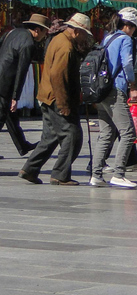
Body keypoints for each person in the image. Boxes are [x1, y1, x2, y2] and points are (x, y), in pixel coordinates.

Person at [19, 13, 91, 185]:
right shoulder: (66, 48)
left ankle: (30, 169)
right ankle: (60, 174)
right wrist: (64, 104)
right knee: (72, 135)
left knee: (50, 137)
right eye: (84, 34)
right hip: (56, 98)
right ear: (76, 32)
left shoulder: (58, 39)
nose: (85, 37)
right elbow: (58, 76)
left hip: (47, 96)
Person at [90, 7, 137, 188]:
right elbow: (127, 62)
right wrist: (133, 84)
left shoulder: (107, 37)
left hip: (102, 90)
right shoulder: (125, 39)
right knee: (128, 132)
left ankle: (96, 174)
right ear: (129, 25)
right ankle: (118, 173)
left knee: (106, 133)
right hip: (115, 89)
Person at [0, 13, 49, 156]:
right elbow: (21, 71)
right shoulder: (29, 44)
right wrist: (16, 97)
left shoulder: (12, 32)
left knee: (11, 116)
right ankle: (22, 145)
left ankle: (22, 146)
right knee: (2, 116)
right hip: (4, 85)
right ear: (37, 30)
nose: (44, 36)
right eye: (44, 32)